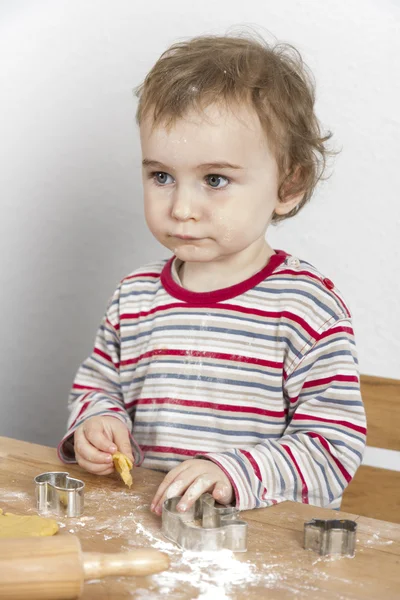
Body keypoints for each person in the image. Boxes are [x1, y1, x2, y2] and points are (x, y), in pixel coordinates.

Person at [58, 33, 367, 515]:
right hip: (144, 528)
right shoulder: (135, 296)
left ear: (289, 185)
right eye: (161, 176)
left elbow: (332, 449)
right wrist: (96, 424)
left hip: (255, 546)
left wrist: (232, 473)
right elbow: (98, 385)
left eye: (215, 179)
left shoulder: (306, 308)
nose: (181, 208)